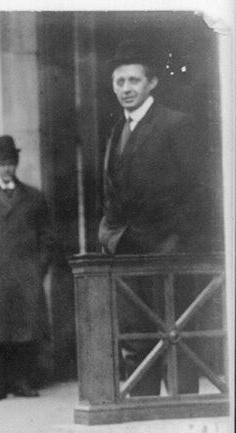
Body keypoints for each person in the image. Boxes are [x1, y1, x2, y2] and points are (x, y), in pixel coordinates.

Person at [97, 39, 210, 396]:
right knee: (135, 337)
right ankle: (140, 408)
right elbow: (112, 193)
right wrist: (108, 236)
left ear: (152, 83)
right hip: (126, 252)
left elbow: (198, 192)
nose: (126, 89)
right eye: (119, 82)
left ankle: (181, 414)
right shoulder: (117, 131)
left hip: (169, 253)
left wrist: (179, 242)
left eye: (133, 81)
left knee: (176, 338)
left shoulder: (177, 125)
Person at [0, 135, 54, 401]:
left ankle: (23, 381)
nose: (6, 168)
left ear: (16, 164)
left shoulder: (34, 197)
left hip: (25, 273)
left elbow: (47, 239)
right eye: (1, 164)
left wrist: (38, 269)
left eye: (10, 163)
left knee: (26, 330)